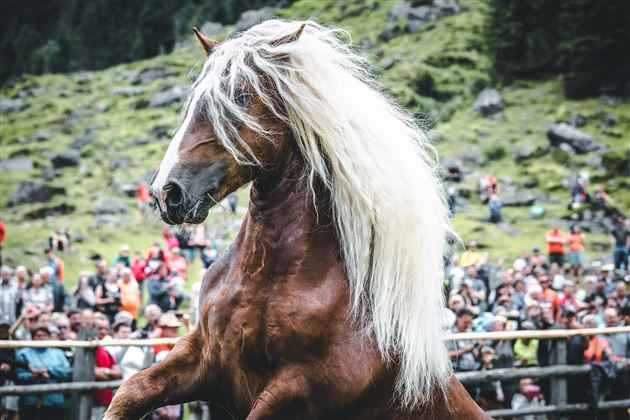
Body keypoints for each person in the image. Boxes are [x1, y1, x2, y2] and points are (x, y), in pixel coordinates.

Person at [15, 326, 72, 420]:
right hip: (30, 401)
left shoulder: (58, 353)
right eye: (38, 336)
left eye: (44, 335)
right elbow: (18, 375)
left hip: (54, 400)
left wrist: (49, 371)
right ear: (33, 338)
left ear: (49, 337)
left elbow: (68, 372)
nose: (41, 338)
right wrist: (34, 375)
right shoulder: (23, 353)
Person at [92, 317, 122, 419]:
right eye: (100, 328)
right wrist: (110, 374)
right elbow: (93, 372)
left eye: (105, 328)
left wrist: (105, 372)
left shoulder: (105, 351)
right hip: (91, 402)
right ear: (92, 328)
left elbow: (119, 374)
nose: (103, 331)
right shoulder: (86, 351)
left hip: (107, 402)